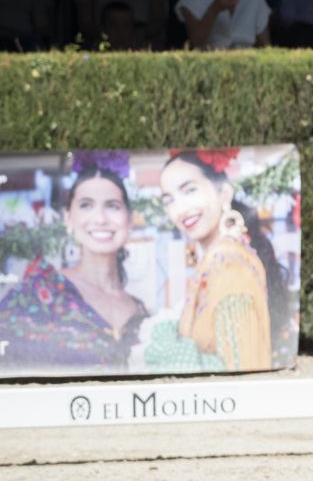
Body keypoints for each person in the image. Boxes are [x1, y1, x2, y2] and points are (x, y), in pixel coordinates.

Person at [0, 163, 148, 371]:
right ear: (68, 218)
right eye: (86, 205)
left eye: (112, 206)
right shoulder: (41, 291)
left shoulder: (141, 312)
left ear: (129, 219)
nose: (100, 219)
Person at [159, 151, 289, 371]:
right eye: (169, 200)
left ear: (224, 193)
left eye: (189, 190)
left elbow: (242, 370)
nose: (179, 209)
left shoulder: (228, 264)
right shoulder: (217, 260)